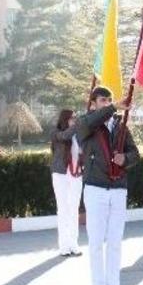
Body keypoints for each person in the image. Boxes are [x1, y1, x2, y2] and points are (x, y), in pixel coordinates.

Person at [76, 87, 139, 285]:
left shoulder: (120, 126)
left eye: (110, 100)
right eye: (103, 100)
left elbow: (135, 153)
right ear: (93, 104)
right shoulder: (85, 123)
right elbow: (90, 123)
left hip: (118, 188)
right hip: (95, 189)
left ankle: (113, 284)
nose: (108, 103)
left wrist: (126, 158)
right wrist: (113, 108)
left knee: (115, 240)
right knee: (95, 241)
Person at [49, 109, 83, 257]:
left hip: (76, 174)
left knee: (74, 209)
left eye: (75, 118)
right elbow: (65, 136)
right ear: (65, 119)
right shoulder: (56, 132)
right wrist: (77, 125)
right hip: (60, 174)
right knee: (63, 209)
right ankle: (64, 245)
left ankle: (74, 244)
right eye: (72, 118)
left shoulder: (78, 135)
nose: (74, 120)